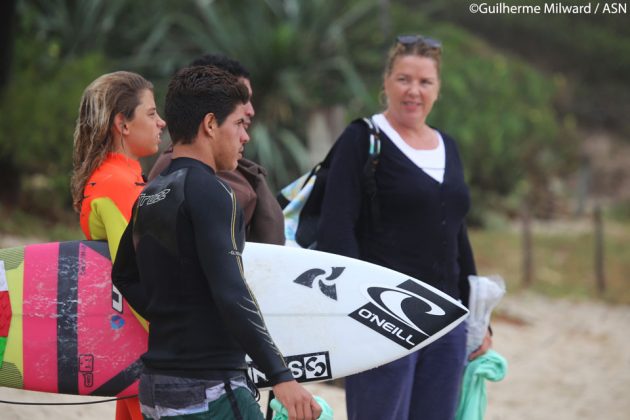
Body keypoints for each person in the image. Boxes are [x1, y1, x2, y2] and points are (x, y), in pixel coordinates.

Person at [111, 65, 321, 420]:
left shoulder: (150, 194)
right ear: (210, 124)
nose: (245, 137)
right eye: (239, 124)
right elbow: (231, 291)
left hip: (156, 388)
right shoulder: (214, 194)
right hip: (209, 389)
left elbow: (124, 275)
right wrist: (281, 377)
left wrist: (175, 316)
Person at [316, 35, 492, 420]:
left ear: (437, 89)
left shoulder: (449, 146)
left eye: (425, 82)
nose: (414, 91)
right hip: (382, 317)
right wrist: (355, 311)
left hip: (448, 318)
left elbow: (456, 234)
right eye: (403, 79)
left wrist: (478, 317)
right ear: (386, 83)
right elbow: (336, 231)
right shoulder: (363, 139)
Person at [70, 70, 166, 420]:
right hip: (142, 343)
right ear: (122, 124)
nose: (162, 122)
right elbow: (138, 272)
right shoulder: (118, 183)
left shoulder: (117, 176)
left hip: (128, 341)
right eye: (152, 114)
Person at [148, 54, 285, 245]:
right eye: (242, 99)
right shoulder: (199, 185)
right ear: (211, 122)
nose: (251, 110)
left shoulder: (156, 191)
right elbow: (224, 267)